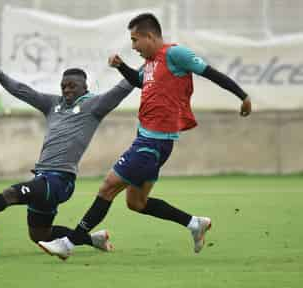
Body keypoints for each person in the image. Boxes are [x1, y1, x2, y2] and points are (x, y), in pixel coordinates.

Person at [38, 13, 252, 260]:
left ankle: (68, 243)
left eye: (135, 40)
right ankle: (194, 223)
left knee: (108, 187)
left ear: (149, 36)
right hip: (148, 139)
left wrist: (242, 95)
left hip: (154, 142)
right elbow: (140, 82)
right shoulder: (150, 62)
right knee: (136, 203)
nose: (133, 47)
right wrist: (121, 67)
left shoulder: (175, 54)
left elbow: (210, 72)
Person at [0, 58, 134, 259]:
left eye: (72, 86)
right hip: (42, 178)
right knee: (39, 235)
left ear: (85, 86)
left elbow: (122, 88)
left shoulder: (94, 106)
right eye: (63, 86)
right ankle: (94, 240)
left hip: (60, 180)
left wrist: (149, 62)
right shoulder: (53, 104)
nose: (67, 90)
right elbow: (20, 90)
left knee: (11, 194)